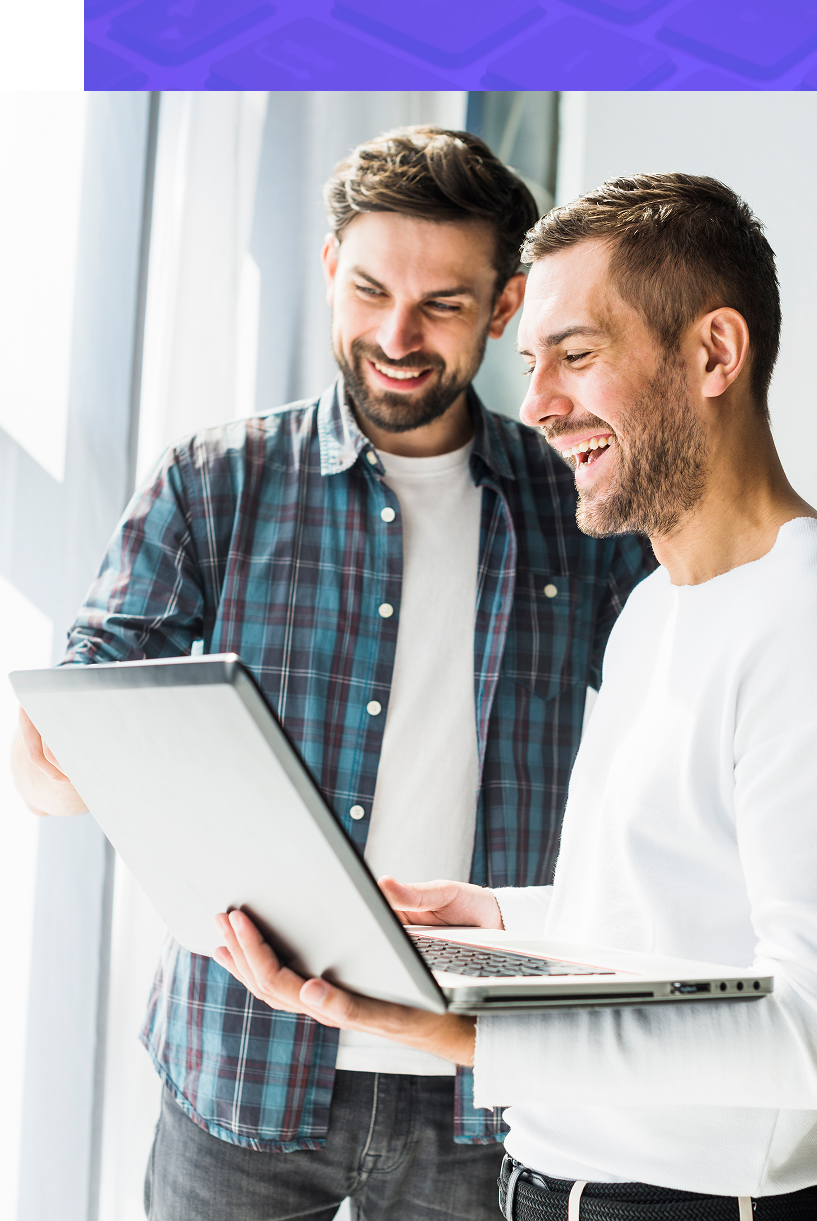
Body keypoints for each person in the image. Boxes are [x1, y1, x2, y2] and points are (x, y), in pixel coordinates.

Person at [210, 173, 817, 1221]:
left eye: (577, 355)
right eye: (531, 359)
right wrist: (497, 916)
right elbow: (681, 910)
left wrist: (470, 1036)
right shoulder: (654, 610)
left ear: (712, 354)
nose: (537, 403)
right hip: (548, 1190)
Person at [10, 129, 656, 1221]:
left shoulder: (574, 504)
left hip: (480, 1094)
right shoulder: (213, 482)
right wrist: (67, 758)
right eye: (367, 290)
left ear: (503, 309)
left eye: (443, 305)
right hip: (243, 1071)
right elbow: (50, 763)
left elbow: (678, 719)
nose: (395, 336)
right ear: (326, 270)